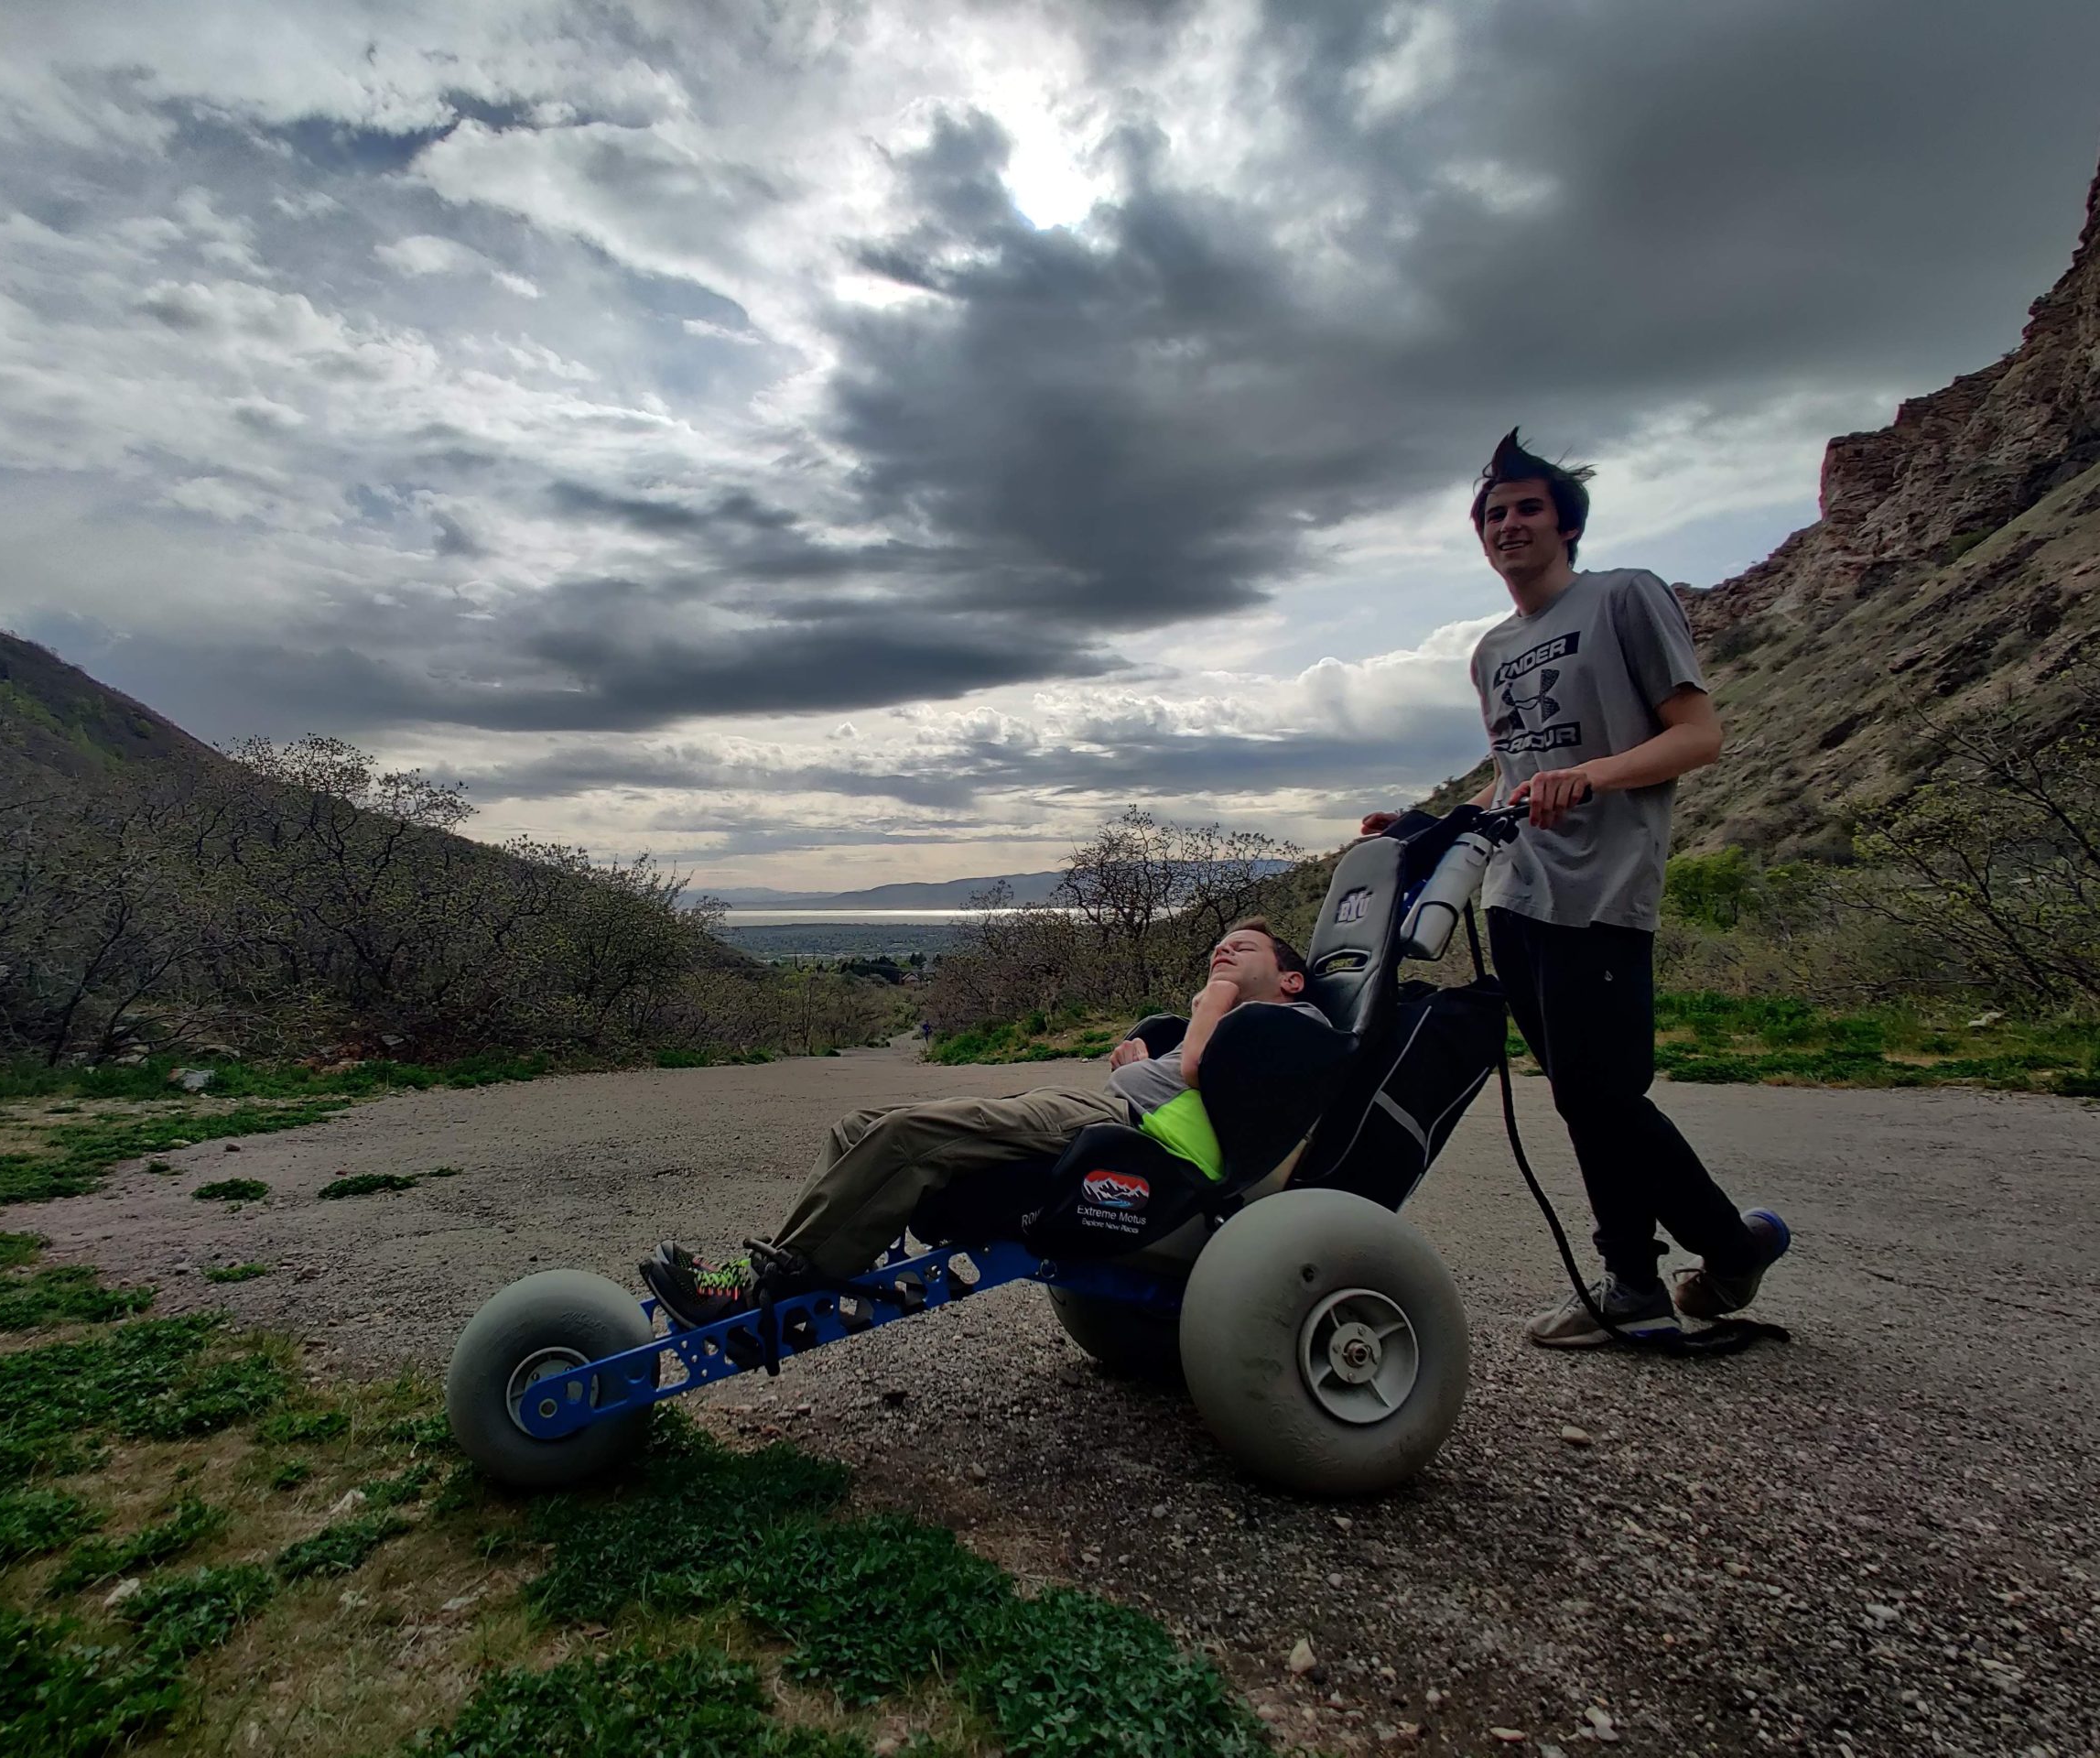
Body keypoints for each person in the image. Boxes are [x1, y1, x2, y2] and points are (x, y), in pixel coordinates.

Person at [1362, 429, 1790, 1347]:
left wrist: (1591, 776)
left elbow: (1696, 735)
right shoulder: (1490, 652)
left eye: (1526, 508)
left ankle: (1709, 1250)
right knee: (1577, 1094)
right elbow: (1510, 773)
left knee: (1603, 1093)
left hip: (1604, 885)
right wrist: (1418, 828)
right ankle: (1646, 1275)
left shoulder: (1622, 598)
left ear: (1564, 522)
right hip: (1515, 892)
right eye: (1492, 514)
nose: (1507, 524)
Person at [640, 918, 1322, 1328]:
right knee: (859, 1126)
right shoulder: (1247, 1024)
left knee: (905, 1142)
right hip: (1111, 1108)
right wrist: (1146, 1055)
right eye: (1218, 951)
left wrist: (1211, 1005)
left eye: (1243, 949)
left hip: (1126, 1133)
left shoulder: (1288, 1024)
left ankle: (760, 1298)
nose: (1222, 956)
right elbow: (1196, 1073)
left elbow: (1205, 1071)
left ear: (1291, 979)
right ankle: (778, 1265)